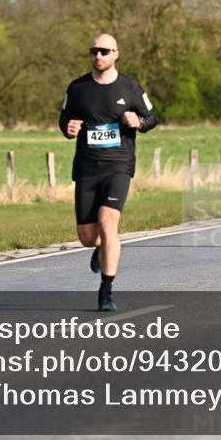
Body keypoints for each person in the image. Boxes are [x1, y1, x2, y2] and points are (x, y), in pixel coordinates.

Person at [60, 33, 158, 312]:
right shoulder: (78, 88)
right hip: (87, 167)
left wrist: (138, 121)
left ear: (116, 53)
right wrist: (68, 129)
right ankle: (99, 249)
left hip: (119, 165)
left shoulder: (130, 88)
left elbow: (152, 117)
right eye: (94, 50)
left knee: (108, 223)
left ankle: (106, 292)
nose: (98, 55)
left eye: (104, 51)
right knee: (87, 237)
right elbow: (64, 119)